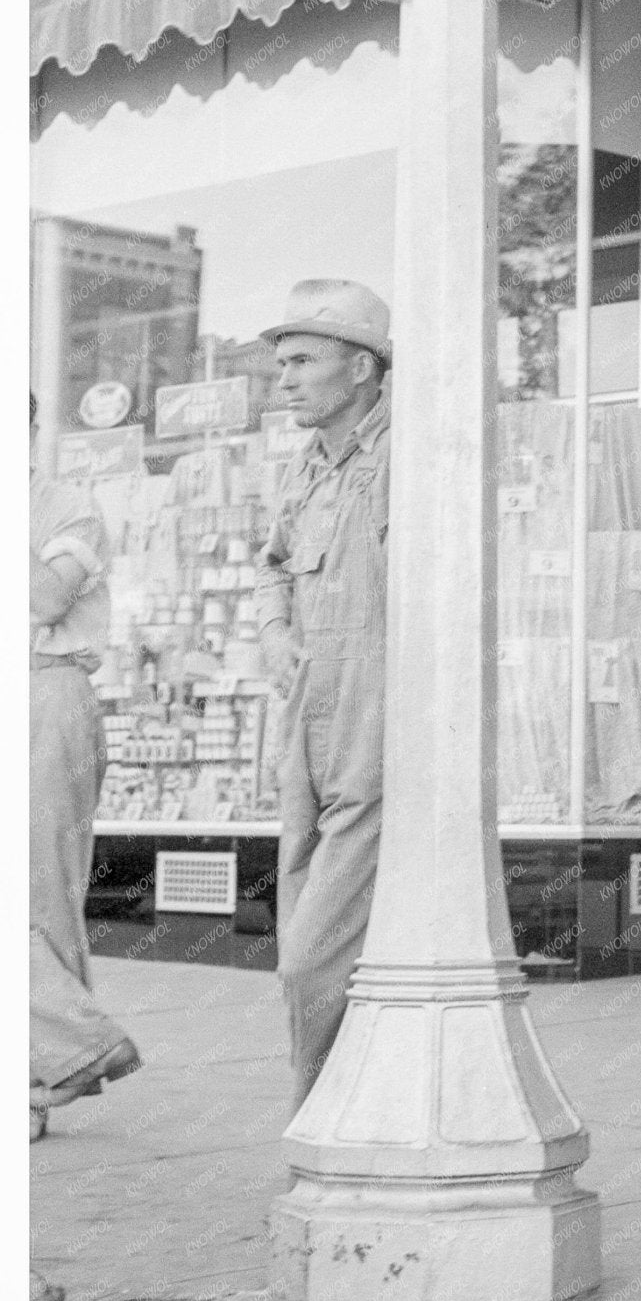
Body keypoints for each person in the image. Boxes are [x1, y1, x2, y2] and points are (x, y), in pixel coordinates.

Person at [252, 281, 394, 1112]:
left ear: (364, 367)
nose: (286, 379)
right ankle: (339, 1116)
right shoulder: (307, 469)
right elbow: (274, 567)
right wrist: (275, 637)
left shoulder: (410, 456)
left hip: (378, 712)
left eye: (304, 360)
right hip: (307, 715)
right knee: (305, 942)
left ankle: (320, 1117)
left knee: (314, 956)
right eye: (282, 364)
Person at [29, 391, 142, 1141]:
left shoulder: (71, 506)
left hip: (45, 692)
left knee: (41, 889)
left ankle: (40, 1079)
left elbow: (42, 598)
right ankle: (67, 1049)